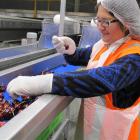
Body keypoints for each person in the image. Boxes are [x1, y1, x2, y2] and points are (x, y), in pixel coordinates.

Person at [7, 0, 140, 139]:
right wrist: (70, 51)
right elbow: (86, 56)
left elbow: (102, 80)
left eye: (106, 21)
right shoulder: (107, 43)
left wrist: (44, 83)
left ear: (125, 24)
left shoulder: (135, 55)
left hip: (119, 133)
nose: (100, 27)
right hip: (94, 129)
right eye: (98, 20)